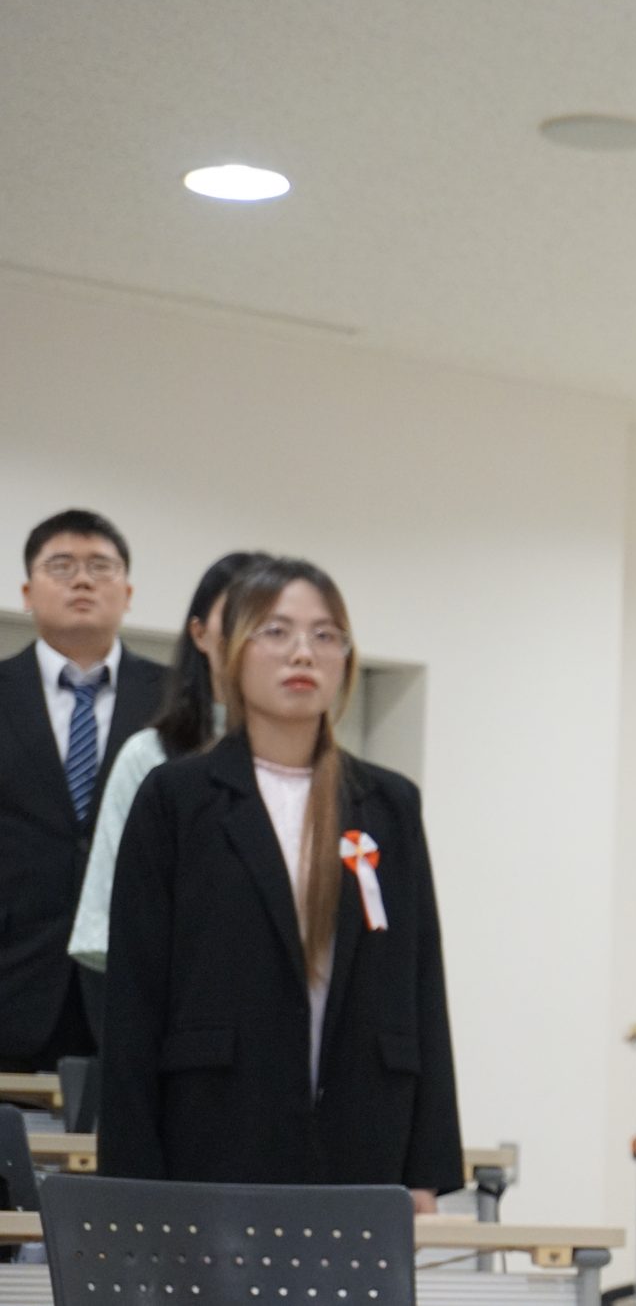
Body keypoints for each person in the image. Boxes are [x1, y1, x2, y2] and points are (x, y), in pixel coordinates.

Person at [99, 558, 460, 1207]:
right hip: (214, 1130)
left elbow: (422, 984)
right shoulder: (177, 798)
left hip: (364, 1134)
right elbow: (134, 1001)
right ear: (231, 653)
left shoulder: (388, 803)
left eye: (326, 635)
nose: (303, 652)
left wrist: (426, 1169)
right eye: (276, 631)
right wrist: (130, 1179)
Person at [0, 510, 166, 1072]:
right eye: (61, 566)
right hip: (13, 978)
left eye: (101, 567)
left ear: (128, 593)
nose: (82, 581)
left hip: (137, 982)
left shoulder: (177, 703)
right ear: (27, 592)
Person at [69, 551, 272, 972]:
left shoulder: (317, 767)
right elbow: (107, 924)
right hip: (182, 993)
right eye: (236, 618)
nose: (252, 640)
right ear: (199, 633)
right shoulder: (150, 756)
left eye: (270, 625)